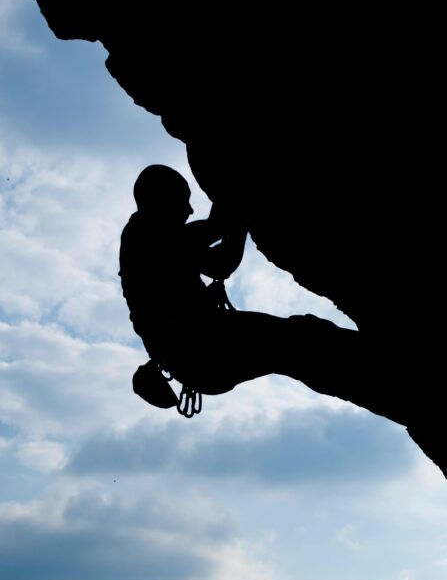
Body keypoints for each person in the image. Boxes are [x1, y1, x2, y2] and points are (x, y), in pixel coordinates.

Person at [120, 164, 360, 408]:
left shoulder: (147, 238)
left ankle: (363, 368)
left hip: (197, 358)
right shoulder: (151, 237)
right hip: (205, 350)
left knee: (297, 345)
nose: (190, 210)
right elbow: (219, 250)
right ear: (162, 200)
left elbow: (216, 251)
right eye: (183, 201)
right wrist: (237, 188)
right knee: (300, 341)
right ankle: (369, 367)